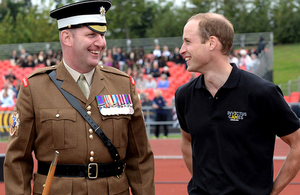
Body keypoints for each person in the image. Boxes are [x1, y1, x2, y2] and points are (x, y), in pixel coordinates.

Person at [4, 1, 155, 195]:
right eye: (92, 35)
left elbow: (140, 156)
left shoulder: (123, 84)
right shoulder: (35, 88)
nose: (101, 43)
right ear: (67, 37)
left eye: (102, 35)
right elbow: (17, 159)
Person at [175, 12, 300, 195]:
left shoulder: (262, 92)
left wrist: (272, 192)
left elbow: (298, 143)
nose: (181, 50)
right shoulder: (184, 95)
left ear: (212, 43)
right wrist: (204, 183)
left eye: (188, 41)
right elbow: (187, 141)